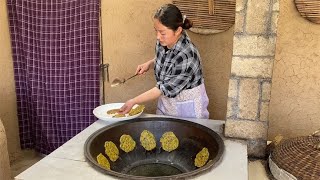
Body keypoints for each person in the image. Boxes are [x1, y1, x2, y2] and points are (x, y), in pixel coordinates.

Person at [119, 4, 209, 118]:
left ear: (178, 31)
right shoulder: (163, 41)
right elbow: (167, 59)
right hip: (168, 102)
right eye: (156, 31)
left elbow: (163, 88)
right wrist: (150, 64)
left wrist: (133, 101)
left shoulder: (187, 55)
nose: (158, 37)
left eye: (162, 33)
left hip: (187, 107)